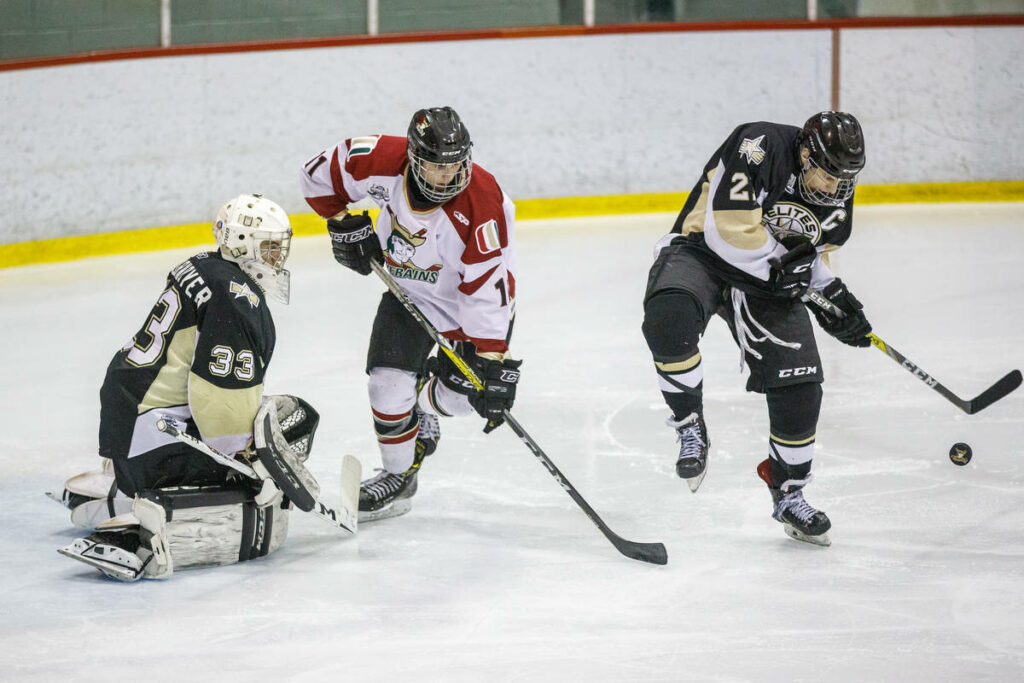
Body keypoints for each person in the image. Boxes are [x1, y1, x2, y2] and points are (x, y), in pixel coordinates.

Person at [57, 194, 324, 581]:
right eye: (268, 246)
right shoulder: (239, 301)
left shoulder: (204, 265)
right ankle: (145, 526)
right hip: (151, 440)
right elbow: (221, 412)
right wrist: (254, 465)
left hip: (127, 420)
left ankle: (125, 483)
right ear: (241, 243)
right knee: (295, 419)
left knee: (265, 421)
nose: (276, 258)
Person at [641, 111, 871, 546]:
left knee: (801, 384)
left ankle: (789, 490)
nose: (834, 188)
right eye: (826, 175)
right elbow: (727, 231)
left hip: (767, 276)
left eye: (843, 180)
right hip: (702, 252)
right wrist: (790, 275)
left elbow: (807, 256)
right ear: (805, 153)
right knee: (669, 318)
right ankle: (690, 422)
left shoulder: (837, 191)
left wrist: (834, 296)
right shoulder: (759, 144)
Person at [300, 106, 520, 522]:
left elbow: (487, 289)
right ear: (414, 159)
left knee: (458, 401)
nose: (449, 177)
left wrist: (491, 363)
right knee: (385, 386)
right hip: (409, 291)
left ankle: (422, 404)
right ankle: (399, 476)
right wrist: (342, 221)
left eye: (457, 166)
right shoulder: (378, 160)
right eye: (437, 168)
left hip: (466, 302)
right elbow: (315, 175)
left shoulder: (483, 203)